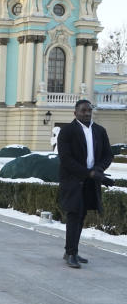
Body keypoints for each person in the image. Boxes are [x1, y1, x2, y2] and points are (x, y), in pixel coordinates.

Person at [56, 99, 113, 268]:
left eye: (89, 110)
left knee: (82, 216)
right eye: (83, 110)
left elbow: (108, 155)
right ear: (75, 113)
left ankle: (71, 251)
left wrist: (98, 169)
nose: (87, 113)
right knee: (74, 215)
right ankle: (71, 253)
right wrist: (89, 173)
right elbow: (66, 159)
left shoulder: (100, 131)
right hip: (73, 181)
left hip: (91, 181)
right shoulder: (67, 131)